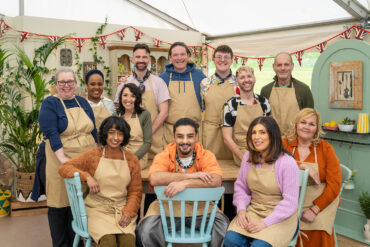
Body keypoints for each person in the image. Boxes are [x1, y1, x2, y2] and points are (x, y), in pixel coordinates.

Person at [135, 118, 229, 247]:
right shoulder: (165, 155)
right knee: (145, 231)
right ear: (174, 137)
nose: (185, 141)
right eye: (180, 136)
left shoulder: (206, 155)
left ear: (196, 136)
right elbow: (155, 178)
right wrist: (192, 176)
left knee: (224, 227)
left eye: (190, 136)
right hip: (169, 208)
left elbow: (216, 180)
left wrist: (185, 184)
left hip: (201, 209)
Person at [59, 116, 142, 247]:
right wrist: (87, 176)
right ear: (105, 134)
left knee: (128, 243)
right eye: (112, 132)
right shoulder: (93, 155)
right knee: (108, 242)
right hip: (97, 209)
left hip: (121, 209)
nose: (115, 138)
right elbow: (64, 168)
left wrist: (128, 212)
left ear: (124, 137)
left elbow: (135, 192)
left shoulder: (132, 160)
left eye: (120, 134)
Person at [38, 67, 97, 247]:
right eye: (62, 82)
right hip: (61, 161)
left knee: (80, 206)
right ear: (56, 85)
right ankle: (61, 243)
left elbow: (93, 131)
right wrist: (65, 161)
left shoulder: (83, 102)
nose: (66, 85)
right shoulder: (50, 104)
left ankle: (78, 243)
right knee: (60, 204)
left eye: (70, 81)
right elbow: (52, 133)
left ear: (76, 84)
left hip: (86, 161)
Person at [225, 116, 299, 247]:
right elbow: (241, 187)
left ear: (273, 135)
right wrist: (241, 210)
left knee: (259, 246)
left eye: (262, 132)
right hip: (254, 210)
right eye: (253, 132)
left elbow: (290, 202)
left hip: (281, 217)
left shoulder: (287, 163)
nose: (256, 137)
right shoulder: (248, 157)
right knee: (231, 240)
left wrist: (265, 223)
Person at [283, 108, 341, 247]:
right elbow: (272, 163)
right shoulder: (284, 144)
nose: (307, 127)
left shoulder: (325, 148)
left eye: (311, 124)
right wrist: (302, 166)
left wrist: (315, 209)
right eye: (303, 122)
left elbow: (335, 184)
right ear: (296, 124)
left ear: (316, 128)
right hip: (291, 199)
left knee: (319, 227)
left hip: (320, 200)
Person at [114, 43, 170, 158]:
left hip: (155, 140)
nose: (141, 60)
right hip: (130, 141)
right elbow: (119, 111)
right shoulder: (124, 83)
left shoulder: (159, 83)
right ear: (132, 59)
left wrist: (147, 134)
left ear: (149, 59)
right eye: (138, 57)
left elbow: (164, 112)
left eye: (144, 57)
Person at [222, 66, 271, 166]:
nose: (246, 80)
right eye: (242, 77)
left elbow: (270, 131)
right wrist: (243, 157)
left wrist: (267, 153)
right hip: (242, 151)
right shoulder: (230, 105)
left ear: (254, 79)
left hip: (263, 148)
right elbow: (227, 138)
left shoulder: (264, 102)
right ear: (237, 82)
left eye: (249, 76)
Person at [159, 42, 206, 144]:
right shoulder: (162, 78)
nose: (179, 58)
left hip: (194, 133)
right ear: (170, 58)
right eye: (175, 55)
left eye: (182, 54)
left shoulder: (199, 75)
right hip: (171, 133)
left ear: (188, 56)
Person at [260, 52, 314, 136]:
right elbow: (262, 120)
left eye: (286, 64)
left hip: (296, 141)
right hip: (273, 141)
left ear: (292, 66)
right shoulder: (266, 90)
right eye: (279, 65)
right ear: (274, 67)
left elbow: (310, 119)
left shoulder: (303, 89)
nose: (283, 68)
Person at [201, 45, 237, 160]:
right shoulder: (204, 83)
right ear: (213, 59)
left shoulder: (240, 83)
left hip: (233, 134)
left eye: (226, 57)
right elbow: (202, 107)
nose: (222, 60)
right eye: (219, 57)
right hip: (211, 134)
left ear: (232, 60)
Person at [118, 83, 152, 169]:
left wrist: (133, 158)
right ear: (121, 97)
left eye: (133, 96)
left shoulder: (144, 114)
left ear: (137, 99)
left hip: (138, 157)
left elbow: (147, 142)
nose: (128, 99)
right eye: (125, 95)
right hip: (119, 157)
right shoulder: (117, 115)